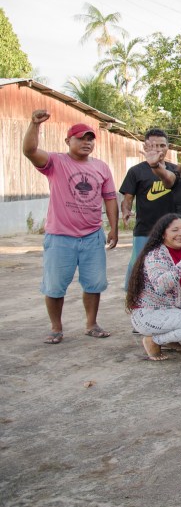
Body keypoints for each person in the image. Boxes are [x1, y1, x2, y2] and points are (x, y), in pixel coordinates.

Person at [24, 112, 118, 344]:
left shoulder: (101, 167)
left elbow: (109, 199)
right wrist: (34, 125)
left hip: (92, 236)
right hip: (60, 236)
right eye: (80, 138)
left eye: (90, 139)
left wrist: (114, 228)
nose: (86, 142)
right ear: (68, 141)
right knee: (55, 285)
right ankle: (56, 328)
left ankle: (91, 324)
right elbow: (29, 151)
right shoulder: (56, 162)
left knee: (94, 284)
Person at [124, 213, 181, 361]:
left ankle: (169, 340)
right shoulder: (155, 255)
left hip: (171, 308)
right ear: (163, 234)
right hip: (150, 314)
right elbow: (161, 286)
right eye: (175, 230)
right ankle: (153, 341)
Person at [120, 128, 178, 288]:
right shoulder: (136, 171)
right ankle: (133, 299)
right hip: (145, 230)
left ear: (168, 146)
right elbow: (128, 198)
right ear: (146, 146)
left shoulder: (176, 170)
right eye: (154, 146)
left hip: (173, 231)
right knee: (138, 268)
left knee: (171, 268)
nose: (158, 150)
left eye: (162, 145)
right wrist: (126, 211)